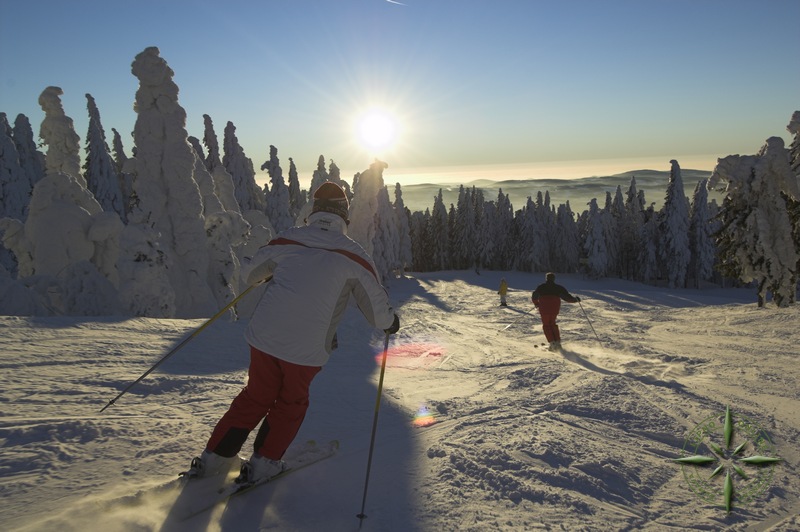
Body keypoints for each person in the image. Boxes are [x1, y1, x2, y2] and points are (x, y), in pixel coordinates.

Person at [187, 182, 400, 483]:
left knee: (255, 396)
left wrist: (270, 271)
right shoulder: (354, 255)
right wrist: (391, 322)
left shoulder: (288, 239)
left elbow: (250, 274)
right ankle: (263, 464)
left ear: (314, 212)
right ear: (344, 215)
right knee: (291, 402)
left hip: (264, 337)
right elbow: (378, 313)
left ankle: (214, 460)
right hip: (307, 348)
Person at [530, 272, 579, 351]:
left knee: (546, 325)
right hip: (554, 309)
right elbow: (567, 298)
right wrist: (575, 300)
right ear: (554, 279)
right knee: (552, 324)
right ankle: (557, 342)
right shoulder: (558, 288)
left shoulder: (541, 287)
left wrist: (537, 304)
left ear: (546, 278)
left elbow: (534, 296)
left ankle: (552, 343)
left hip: (544, 309)